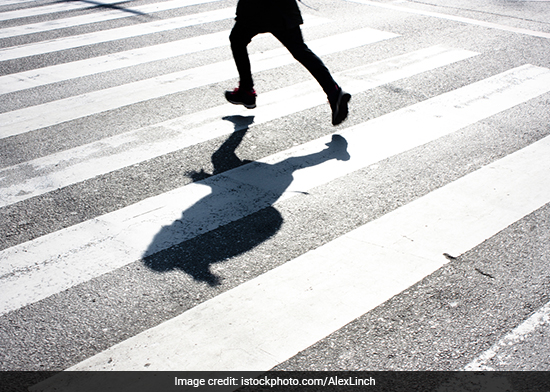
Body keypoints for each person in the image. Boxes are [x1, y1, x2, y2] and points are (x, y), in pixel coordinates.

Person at [225, 0, 351, 126]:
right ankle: (333, 92)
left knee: (237, 40)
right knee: (300, 50)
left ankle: (246, 91)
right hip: (283, 8)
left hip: (257, 7)